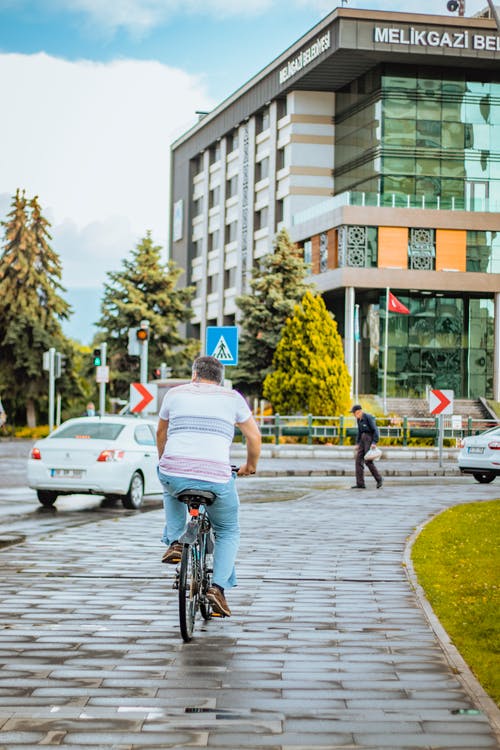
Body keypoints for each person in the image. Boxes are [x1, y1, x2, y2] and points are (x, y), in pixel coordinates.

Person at [156, 355, 261, 617]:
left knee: (167, 481)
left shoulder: (174, 394)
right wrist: (250, 466)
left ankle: (176, 540)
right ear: (220, 380)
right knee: (227, 530)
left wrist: (166, 462)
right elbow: (254, 437)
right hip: (215, 477)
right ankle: (218, 588)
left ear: (194, 375)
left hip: (174, 473)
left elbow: (161, 434)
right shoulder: (233, 398)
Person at [351, 404, 383, 490]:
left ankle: (379, 479)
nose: (353, 415)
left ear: (359, 412)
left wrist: (374, 442)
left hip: (369, 438)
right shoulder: (359, 420)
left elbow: (375, 430)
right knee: (358, 460)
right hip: (362, 439)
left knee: (368, 461)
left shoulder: (368, 417)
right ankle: (360, 483)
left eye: (354, 413)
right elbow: (359, 431)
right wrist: (357, 443)